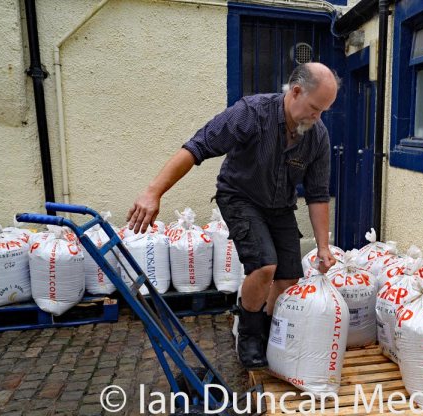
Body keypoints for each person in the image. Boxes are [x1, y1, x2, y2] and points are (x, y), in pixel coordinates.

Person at [127, 62, 339, 370]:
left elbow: (319, 194)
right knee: (265, 266)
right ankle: (249, 334)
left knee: (290, 276)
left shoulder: (317, 136)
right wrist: (153, 192)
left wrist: (323, 246)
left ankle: (267, 327)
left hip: (279, 205)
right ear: (296, 92)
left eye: (324, 112)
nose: (317, 118)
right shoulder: (251, 113)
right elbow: (196, 148)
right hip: (240, 197)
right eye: (315, 108)